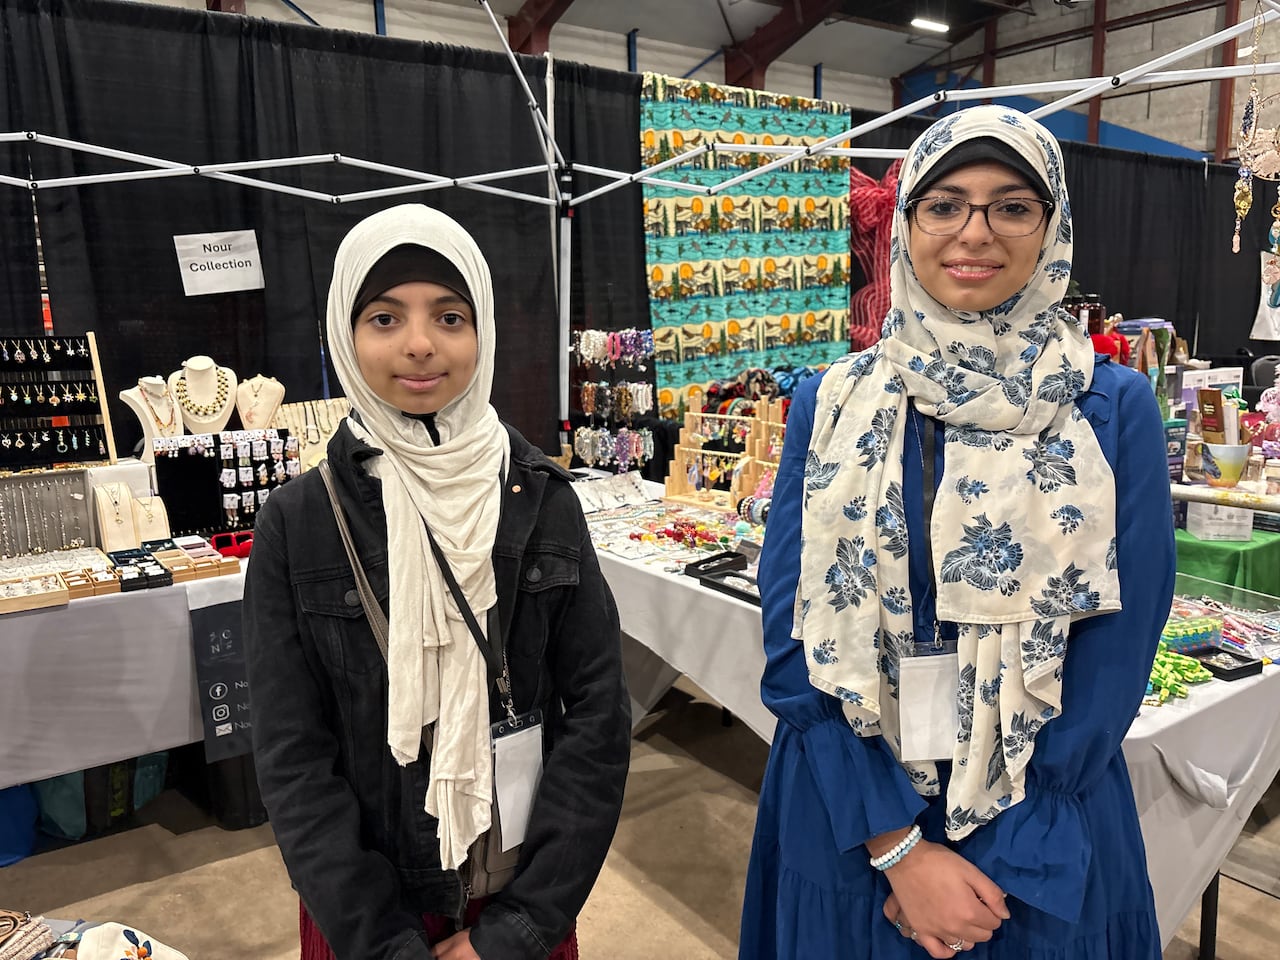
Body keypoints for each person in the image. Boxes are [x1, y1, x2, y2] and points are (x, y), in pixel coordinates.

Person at [739, 105, 1175, 960]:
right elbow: (791, 625)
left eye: (1011, 206)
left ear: (1052, 227)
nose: (974, 232)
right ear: (905, 226)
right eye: (944, 204)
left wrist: (1005, 856)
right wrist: (897, 849)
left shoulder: (1109, 407)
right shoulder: (830, 399)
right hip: (854, 809)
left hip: (1033, 821)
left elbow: (1122, 642)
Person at [244, 204, 631, 960]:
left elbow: (597, 719)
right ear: (345, 336)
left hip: (519, 901)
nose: (420, 345)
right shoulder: (298, 524)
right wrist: (383, 944)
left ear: (481, 330)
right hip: (368, 916)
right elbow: (292, 759)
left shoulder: (543, 500)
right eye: (384, 318)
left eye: (449, 316)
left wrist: (516, 931)